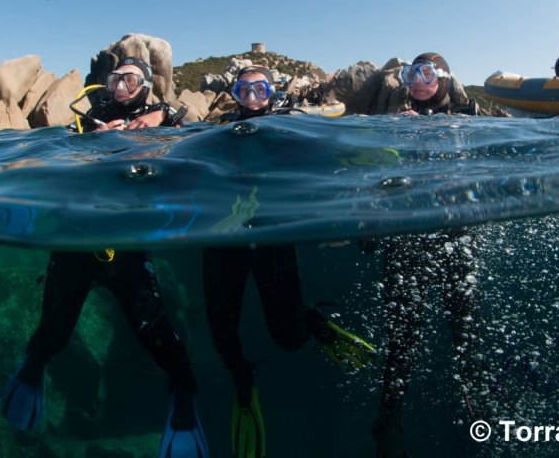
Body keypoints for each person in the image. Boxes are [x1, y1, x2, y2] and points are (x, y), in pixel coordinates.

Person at [0, 56, 208, 458]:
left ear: (146, 86)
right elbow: (59, 154)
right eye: (115, 79)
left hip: (127, 248)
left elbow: (195, 150)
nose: (121, 88)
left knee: (160, 341)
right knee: (53, 335)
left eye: (131, 80)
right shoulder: (90, 119)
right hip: (79, 242)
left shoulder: (162, 119)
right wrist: (98, 140)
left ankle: (183, 393)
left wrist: (162, 121)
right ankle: (32, 367)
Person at [203, 65, 377, 458]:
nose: (250, 98)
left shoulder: (289, 126)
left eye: (259, 89)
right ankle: (242, 381)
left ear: (273, 92)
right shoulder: (219, 130)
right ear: (233, 93)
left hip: (273, 238)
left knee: (290, 338)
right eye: (242, 90)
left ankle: (312, 320)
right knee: (221, 336)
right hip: (221, 240)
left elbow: (329, 155)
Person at [370, 53, 485, 458]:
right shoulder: (397, 122)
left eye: (427, 73)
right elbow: (372, 174)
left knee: (464, 330)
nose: (417, 81)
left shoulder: (470, 119)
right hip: (406, 243)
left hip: (456, 239)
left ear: (445, 79)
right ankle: (388, 417)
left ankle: (476, 402)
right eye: (409, 74)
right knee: (402, 340)